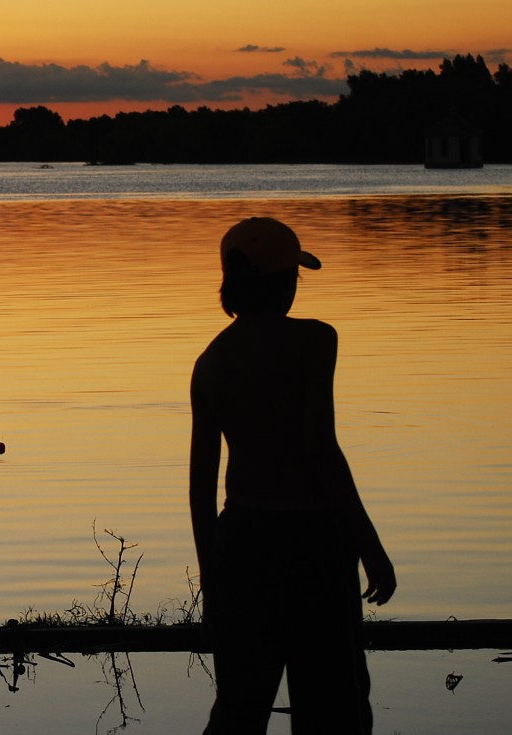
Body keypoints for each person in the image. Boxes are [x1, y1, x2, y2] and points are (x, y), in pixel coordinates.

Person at [189, 217, 396, 734]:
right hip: (313, 544)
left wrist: (212, 583)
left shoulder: (210, 362)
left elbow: (199, 489)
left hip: (240, 543)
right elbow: (321, 451)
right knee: (333, 705)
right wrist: (370, 546)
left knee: (240, 705)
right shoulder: (315, 341)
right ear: (285, 283)